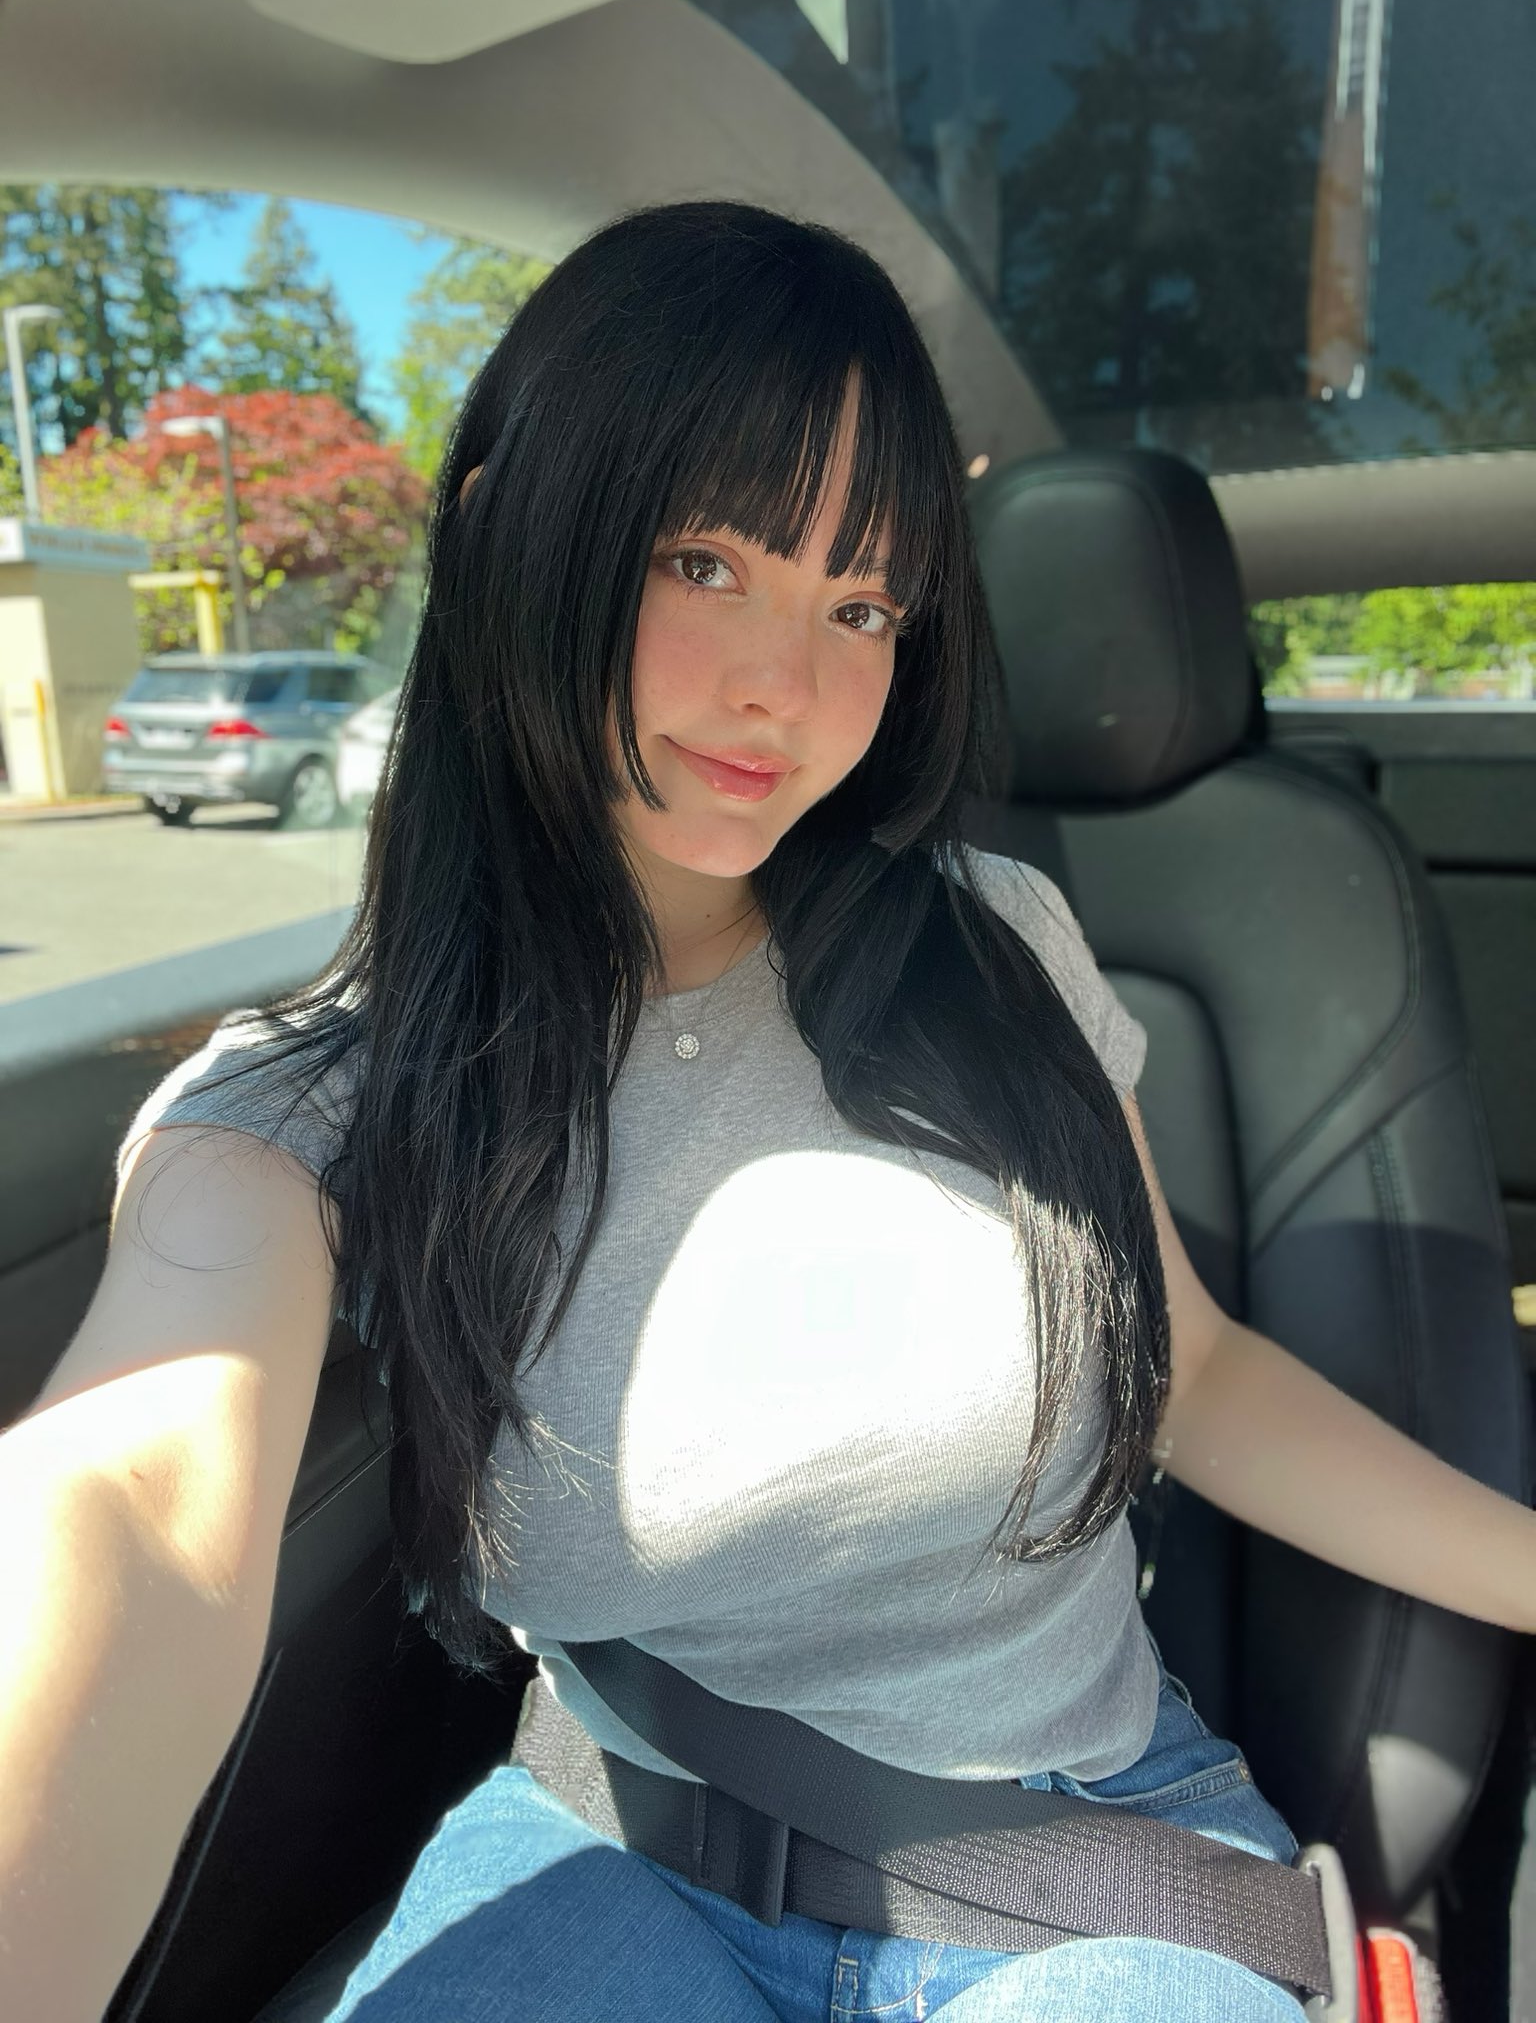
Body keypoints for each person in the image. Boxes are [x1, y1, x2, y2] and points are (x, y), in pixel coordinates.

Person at [4, 199, 1534, 2023]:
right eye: (706, 559)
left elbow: (1188, 1374)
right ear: (502, 537)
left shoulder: (996, 951)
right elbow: (139, 1503)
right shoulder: (317, 1103)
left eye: (859, 604)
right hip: (618, 1835)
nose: (783, 690)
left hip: (1084, 1856)